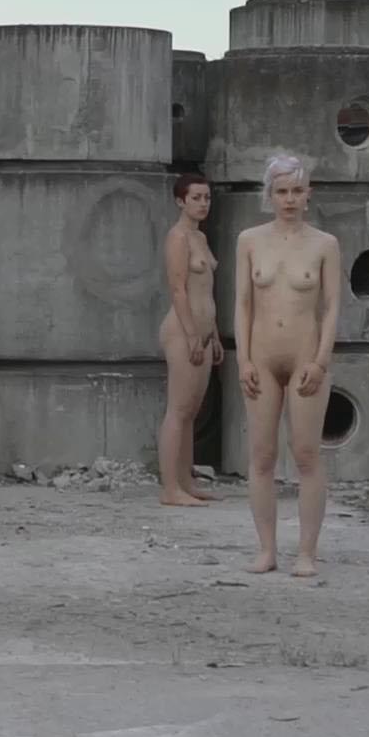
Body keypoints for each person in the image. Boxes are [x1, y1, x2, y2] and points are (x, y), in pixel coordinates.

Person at [232, 154, 339, 577]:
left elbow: (331, 307)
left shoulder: (324, 244)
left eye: (296, 191)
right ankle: (266, 549)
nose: (289, 199)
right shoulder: (249, 240)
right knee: (261, 455)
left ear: (308, 193)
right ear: (270, 195)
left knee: (306, 453)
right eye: (281, 192)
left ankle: (307, 552)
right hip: (261, 356)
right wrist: (242, 358)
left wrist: (321, 360)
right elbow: (243, 303)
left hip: (304, 357)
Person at [158, 172, 220, 507]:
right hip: (183, 331)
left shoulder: (200, 237)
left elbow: (206, 289)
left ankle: (185, 481)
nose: (202, 203)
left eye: (206, 197)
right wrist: (192, 333)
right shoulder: (178, 237)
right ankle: (170, 488)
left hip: (204, 332)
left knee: (192, 410)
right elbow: (179, 289)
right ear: (180, 201)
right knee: (178, 409)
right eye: (196, 198)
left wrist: (214, 334)